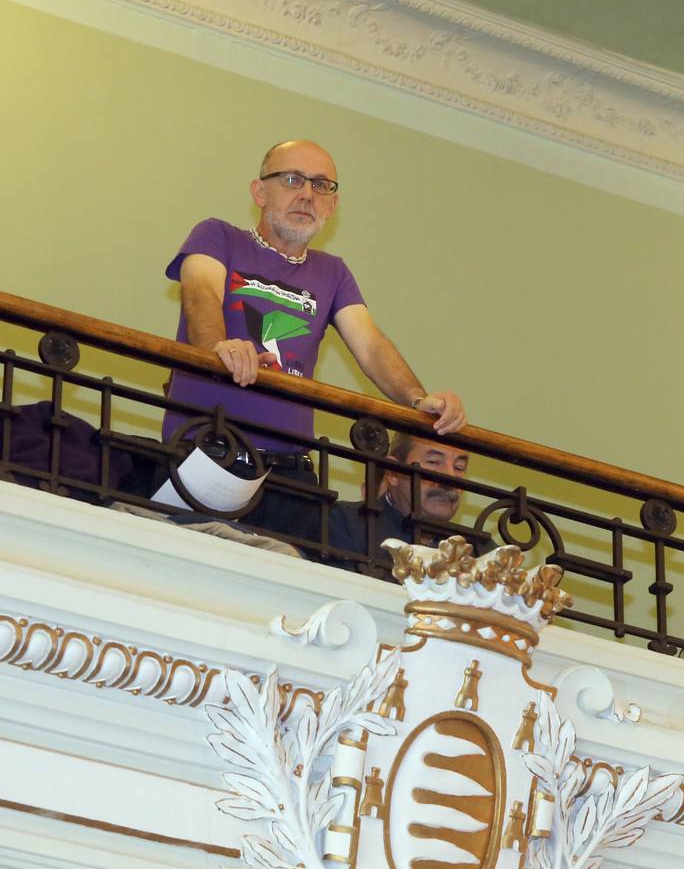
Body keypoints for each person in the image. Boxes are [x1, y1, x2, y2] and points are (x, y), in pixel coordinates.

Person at [157, 140, 464, 548]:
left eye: (322, 185)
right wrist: (220, 346)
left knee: (296, 591)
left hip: (291, 474)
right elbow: (200, 293)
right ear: (259, 192)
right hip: (209, 449)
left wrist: (417, 400)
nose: (307, 194)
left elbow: (370, 343)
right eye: (291, 179)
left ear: (332, 206)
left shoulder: (332, 272)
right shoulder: (218, 236)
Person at [327, 433, 470, 574]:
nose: (450, 478)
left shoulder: (474, 551)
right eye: (433, 462)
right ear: (393, 472)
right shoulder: (346, 522)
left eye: (459, 467)